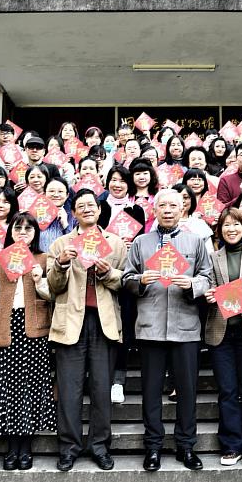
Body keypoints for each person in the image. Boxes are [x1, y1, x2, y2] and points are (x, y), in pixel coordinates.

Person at [122, 189, 213, 472]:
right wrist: (140, 280)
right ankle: (153, 447)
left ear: (182, 209)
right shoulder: (141, 242)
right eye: (163, 205)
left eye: (174, 205)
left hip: (185, 328)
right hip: (150, 328)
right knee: (150, 391)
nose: (169, 210)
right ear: (155, 209)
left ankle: (186, 446)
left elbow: (208, 277)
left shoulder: (195, 241)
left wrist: (193, 286)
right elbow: (126, 278)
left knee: (186, 391)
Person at [47, 189, 128, 472]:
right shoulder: (61, 244)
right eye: (80, 206)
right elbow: (53, 287)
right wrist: (61, 264)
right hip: (71, 322)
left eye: (91, 205)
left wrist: (108, 273)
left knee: (101, 389)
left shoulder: (115, 243)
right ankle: (68, 447)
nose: (86, 209)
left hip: (103, 322)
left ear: (99, 209)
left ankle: (99, 446)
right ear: (74, 213)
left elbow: (125, 283)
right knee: (69, 389)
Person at [0, 212, 57, 470]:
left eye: (28, 228)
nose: (23, 232)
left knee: (30, 388)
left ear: (36, 232)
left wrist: (39, 279)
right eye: (18, 228)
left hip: (33, 328)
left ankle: (26, 447)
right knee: (5, 387)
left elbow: (50, 294)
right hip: (6, 326)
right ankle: (11, 448)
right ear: (10, 231)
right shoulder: (1, 259)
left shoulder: (43, 258)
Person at [203, 207, 242, 467]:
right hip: (221, 330)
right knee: (227, 391)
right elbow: (207, 283)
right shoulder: (211, 256)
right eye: (227, 225)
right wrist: (209, 293)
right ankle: (230, 446)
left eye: (237, 225)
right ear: (220, 229)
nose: (232, 229)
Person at [97, 166, 145, 405]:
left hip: (127, 271)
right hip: (101, 270)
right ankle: (100, 379)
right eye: (113, 180)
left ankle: (118, 381)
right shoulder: (100, 207)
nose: (117, 184)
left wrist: (131, 241)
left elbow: (142, 239)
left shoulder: (137, 210)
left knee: (124, 326)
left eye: (122, 180)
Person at [39, 177, 76, 254]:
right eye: (51, 191)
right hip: (40, 263)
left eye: (60, 191)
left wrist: (66, 225)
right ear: (44, 194)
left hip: (65, 264)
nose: (56, 195)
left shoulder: (74, 217)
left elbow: (76, 246)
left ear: (67, 195)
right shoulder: (34, 215)